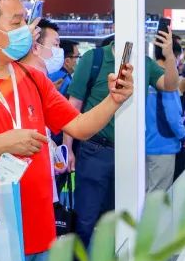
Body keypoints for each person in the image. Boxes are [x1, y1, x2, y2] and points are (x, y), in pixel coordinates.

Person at [0, 0, 135, 261]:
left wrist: (113, 100)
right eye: (16, 22)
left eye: (26, 21)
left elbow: (79, 126)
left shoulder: (33, 78)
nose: (27, 30)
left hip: (41, 230)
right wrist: (4, 143)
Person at [68, 31, 178, 249]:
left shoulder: (144, 63)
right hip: (94, 150)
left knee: (120, 219)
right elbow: (74, 107)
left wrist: (169, 55)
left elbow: (171, 85)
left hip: (128, 153)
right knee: (86, 219)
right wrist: (68, 148)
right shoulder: (94, 59)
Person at [146, 39, 185, 193]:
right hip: (163, 145)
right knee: (158, 195)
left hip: (146, 143)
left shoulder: (147, 76)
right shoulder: (168, 80)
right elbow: (173, 116)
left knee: (147, 192)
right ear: (174, 56)